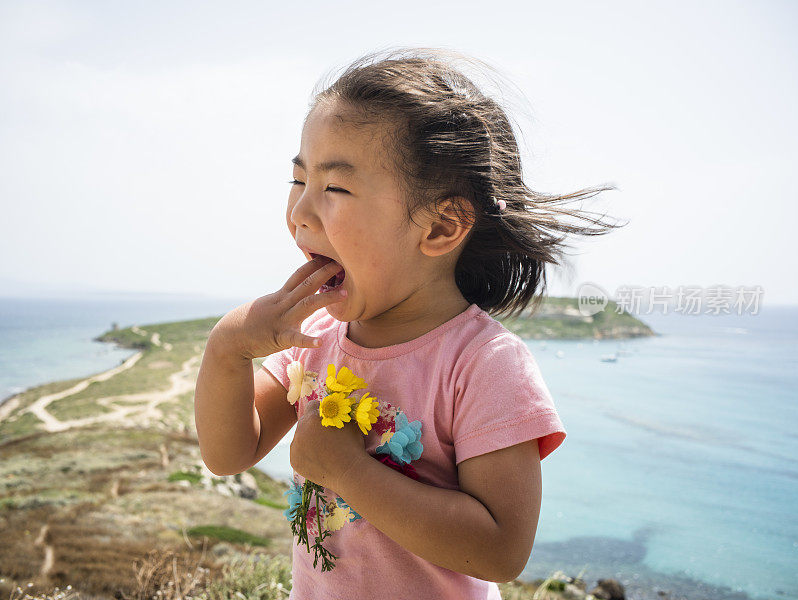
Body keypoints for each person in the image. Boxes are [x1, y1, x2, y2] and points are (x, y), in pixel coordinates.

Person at [194, 46, 625, 600]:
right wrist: (226, 349)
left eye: (336, 188)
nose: (300, 211)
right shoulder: (316, 339)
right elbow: (229, 454)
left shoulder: (482, 363)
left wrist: (350, 471)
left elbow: (502, 550)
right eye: (299, 180)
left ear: (441, 227)